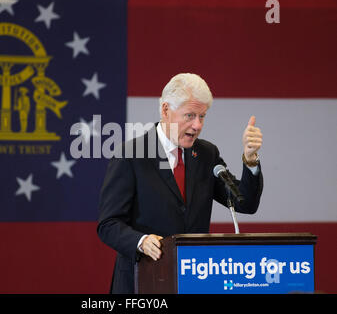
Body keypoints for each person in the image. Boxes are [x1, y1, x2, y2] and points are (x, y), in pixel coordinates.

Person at [97, 73, 263, 294]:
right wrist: (141, 241)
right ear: (166, 110)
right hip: (142, 281)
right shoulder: (132, 155)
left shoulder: (206, 154)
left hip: (194, 282)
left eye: (202, 116)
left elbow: (245, 203)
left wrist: (250, 159)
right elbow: (108, 224)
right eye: (190, 115)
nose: (197, 125)